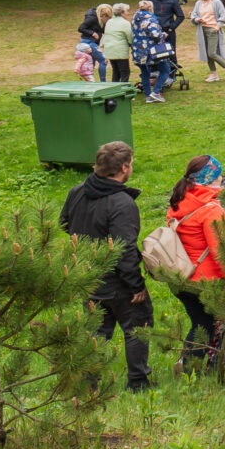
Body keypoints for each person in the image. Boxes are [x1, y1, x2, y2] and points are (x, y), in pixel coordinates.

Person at [61, 141, 149, 392]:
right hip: (118, 282)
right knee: (137, 329)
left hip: (87, 276)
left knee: (96, 331)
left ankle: (88, 384)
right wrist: (136, 285)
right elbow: (124, 249)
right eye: (131, 164)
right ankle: (138, 384)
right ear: (123, 168)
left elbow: (64, 223)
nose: (131, 167)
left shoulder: (76, 191)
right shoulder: (121, 203)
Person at [165, 155, 225, 374]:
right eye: (219, 174)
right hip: (205, 281)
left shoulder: (179, 201)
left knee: (201, 324)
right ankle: (218, 365)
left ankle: (188, 369)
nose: (222, 178)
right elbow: (222, 253)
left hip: (180, 278)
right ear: (212, 178)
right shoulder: (211, 211)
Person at [191, 0, 225, 82]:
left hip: (213, 30)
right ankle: (213, 74)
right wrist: (197, 19)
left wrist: (217, 26)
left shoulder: (216, 2)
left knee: (212, 53)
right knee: (207, 54)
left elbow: (224, 16)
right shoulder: (198, 3)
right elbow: (193, 15)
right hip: (202, 30)